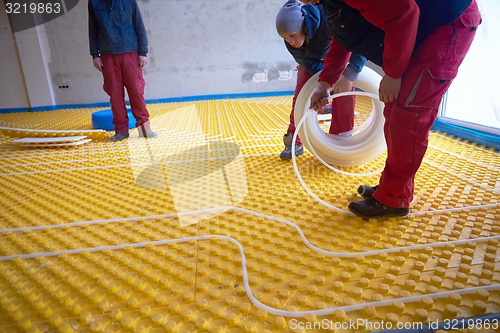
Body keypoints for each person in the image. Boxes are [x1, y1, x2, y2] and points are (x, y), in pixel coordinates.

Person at [301, 0, 481, 218]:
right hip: (423, 27)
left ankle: (392, 200)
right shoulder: (329, 3)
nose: (304, 2)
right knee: (394, 111)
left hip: (446, 24)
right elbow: (344, 36)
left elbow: (404, 12)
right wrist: (325, 82)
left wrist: (394, 74)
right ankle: (392, 190)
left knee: (409, 117)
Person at [276, 0, 366, 159]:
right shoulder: (290, 41)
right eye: (286, 38)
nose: (291, 41)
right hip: (314, 62)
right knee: (301, 95)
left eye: (292, 35)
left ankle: (341, 137)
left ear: (303, 24)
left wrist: (340, 77)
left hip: (337, 57)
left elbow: (357, 42)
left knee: (345, 92)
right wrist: (323, 82)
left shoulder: (327, 18)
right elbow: (307, 62)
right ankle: (294, 140)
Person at [88, 0, 158, 141]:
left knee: (136, 92)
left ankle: (144, 129)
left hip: (131, 53)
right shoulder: (94, 2)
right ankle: (121, 131)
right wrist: (95, 55)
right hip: (108, 55)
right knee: (115, 95)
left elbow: (139, 26)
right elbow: (93, 29)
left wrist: (143, 52)